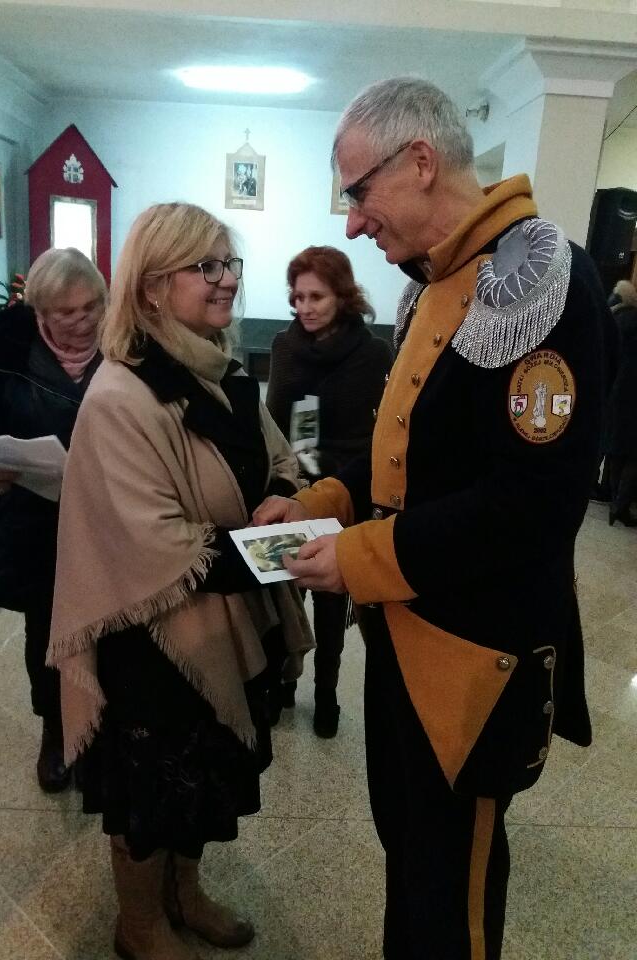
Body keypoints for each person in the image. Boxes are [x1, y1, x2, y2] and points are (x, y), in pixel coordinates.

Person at [254, 77, 610, 960]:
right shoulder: (434, 282)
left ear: (419, 161)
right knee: (412, 861)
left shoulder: (542, 277)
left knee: (454, 898)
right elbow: (406, 457)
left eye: (358, 192)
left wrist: (359, 557)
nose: (352, 225)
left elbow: (533, 504)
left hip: (476, 661)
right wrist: (323, 504)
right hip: (402, 637)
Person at [46, 203, 312, 960]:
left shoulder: (224, 370)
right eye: (207, 266)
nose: (227, 280)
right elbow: (161, 546)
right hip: (153, 635)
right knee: (154, 791)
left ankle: (185, 894)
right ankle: (139, 923)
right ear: (153, 287)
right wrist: (288, 549)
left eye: (229, 263)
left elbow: (282, 461)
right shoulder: (119, 396)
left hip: (229, 609)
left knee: (206, 779)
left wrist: (286, 499)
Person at [0, 247, 105, 793]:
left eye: (91, 307)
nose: (82, 321)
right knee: (47, 636)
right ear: (39, 311)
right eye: (66, 312)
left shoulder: (124, 349)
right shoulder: (6, 355)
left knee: (109, 629)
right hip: (37, 527)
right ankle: (55, 732)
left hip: (107, 525)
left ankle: (100, 733)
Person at [266, 245, 392, 736]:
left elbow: (377, 439)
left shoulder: (374, 353)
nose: (305, 307)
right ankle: (284, 683)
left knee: (332, 603)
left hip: (346, 490)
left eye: (316, 296)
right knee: (285, 597)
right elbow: (275, 424)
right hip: (295, 488)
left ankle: (326, 696)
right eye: (297, 297)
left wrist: (338, 482)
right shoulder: (284, 346)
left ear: (342, 295)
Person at [605, 279, 637, 526]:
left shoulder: (614, 315)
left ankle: (615, 500)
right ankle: (620, 504)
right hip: (633, 391)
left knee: (617, 447)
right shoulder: (634, 320)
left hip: (616, 388)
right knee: (634, 453)